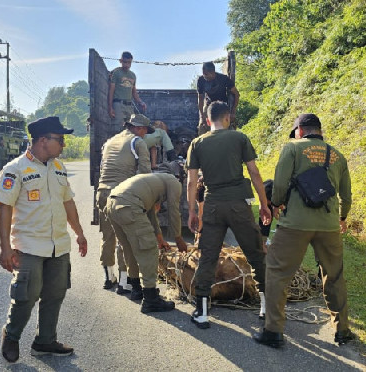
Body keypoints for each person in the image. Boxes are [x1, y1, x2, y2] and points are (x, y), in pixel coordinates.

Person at [253, 113, 354, 348]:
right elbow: (346, 195)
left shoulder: (292, 148)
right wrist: (342, 217)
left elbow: (279, 183)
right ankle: (342, 331)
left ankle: (274, 331)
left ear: (299, 130)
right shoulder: (337, 155)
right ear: (319, 130)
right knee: (334, 275)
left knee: (277, 272)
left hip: (295, 224)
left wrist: (276, 203)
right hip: (329, 226)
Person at [0, 116, 88, 363]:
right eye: (60, 139)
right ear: (43, 140)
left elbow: (68, 201)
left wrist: (79, 233)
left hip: (59, 244)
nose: (63, 145)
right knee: (26, 294)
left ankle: (45, 341)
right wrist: (5, 248)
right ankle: (11, 335)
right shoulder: (15, 169)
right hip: (29, 245)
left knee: (55, 293)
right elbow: (5, 209)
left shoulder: (58, 166)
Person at [185, 101, 270, 329]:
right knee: (255, 254)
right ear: (228, 118)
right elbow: (254, 172)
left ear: (207, 120)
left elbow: (192, 181)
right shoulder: (239, 138)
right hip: (238, 205)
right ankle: (266, 307)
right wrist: (263, 204)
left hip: (212, 206)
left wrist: (193, 210)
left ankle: (202, 311)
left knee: (208, 256)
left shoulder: (197, 143)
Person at [106, 173, 189, 313]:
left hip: (111, 204)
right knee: (149, 249)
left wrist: (161, 239)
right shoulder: (174, 182)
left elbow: (150, 213)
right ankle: (150, 300)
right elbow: (174, 211)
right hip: (129, 205)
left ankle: (136, 289)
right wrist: (178, 238)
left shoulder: (152, 181)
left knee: (129, 248)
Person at [96, 113, 154, 299]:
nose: (145, 134)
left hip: (102, 192)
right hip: (120, 196)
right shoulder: (137, 142)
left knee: (107, 236)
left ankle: (107, 277)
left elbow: (103, 167)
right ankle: (124, 283)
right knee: (125, 239)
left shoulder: (109, 142)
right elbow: (145, 174)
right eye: (145, 131)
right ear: (139, 128)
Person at [197, 62, 239, 135]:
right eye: (203, 74)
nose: (204, 76)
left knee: (229, 124)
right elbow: (200, 98)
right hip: (208, 104)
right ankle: (202, 144)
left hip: (222, 105)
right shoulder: (201, 80)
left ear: (213, 72)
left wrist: (233, 111)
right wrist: (202, 116)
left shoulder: (223, 79)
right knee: (202, 126)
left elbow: (237, 94)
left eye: (206, 74)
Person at [108, 51, 146, 128]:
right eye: (125, 62)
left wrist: (141, 102)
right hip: (118, 104)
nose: (127, 65)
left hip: (129, 106)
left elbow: (134, 92)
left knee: (131, 128)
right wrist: (110, 107)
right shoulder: (116, 73)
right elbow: (111, 90)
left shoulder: (133, 75)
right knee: (118, 128)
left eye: (129, 62)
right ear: (121, 61)